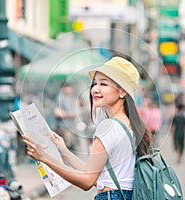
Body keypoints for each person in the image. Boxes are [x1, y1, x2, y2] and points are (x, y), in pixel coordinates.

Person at [22, 56, 152, 199]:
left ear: (122, 92)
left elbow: (87, 181)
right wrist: (64, 151)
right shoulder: (129, 125)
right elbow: (95, 176)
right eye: (95, 83)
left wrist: (44, 157)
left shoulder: (108, 126)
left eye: (104, 84)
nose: (95, 89)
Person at [54, 82, 79, 151]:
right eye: (68, 87)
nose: (70, 89)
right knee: (65, 146)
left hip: (70, 126)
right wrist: (70, 115)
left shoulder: (70, 98)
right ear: (64, 88)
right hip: (63, 126)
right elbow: (57, 112)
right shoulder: (60, 98)